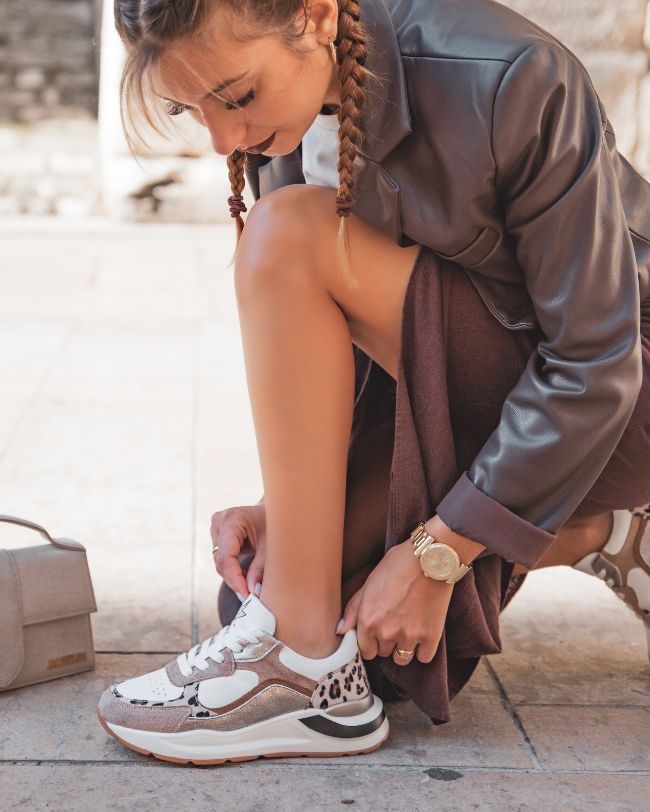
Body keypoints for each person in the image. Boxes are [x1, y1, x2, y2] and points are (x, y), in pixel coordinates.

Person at [96, 0, 650, 765]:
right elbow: (352, 335)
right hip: (487, 381)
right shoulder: (285, 109)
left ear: (317, 16)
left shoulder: (513, 76)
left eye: (236, 96)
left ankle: (298, 671)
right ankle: (604, 530)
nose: (223, 137)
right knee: (282, 594)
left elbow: (594, 359)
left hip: (621, 397)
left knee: (284, 238)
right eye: (188, 109)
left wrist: (439, 552)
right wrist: (284, 509)